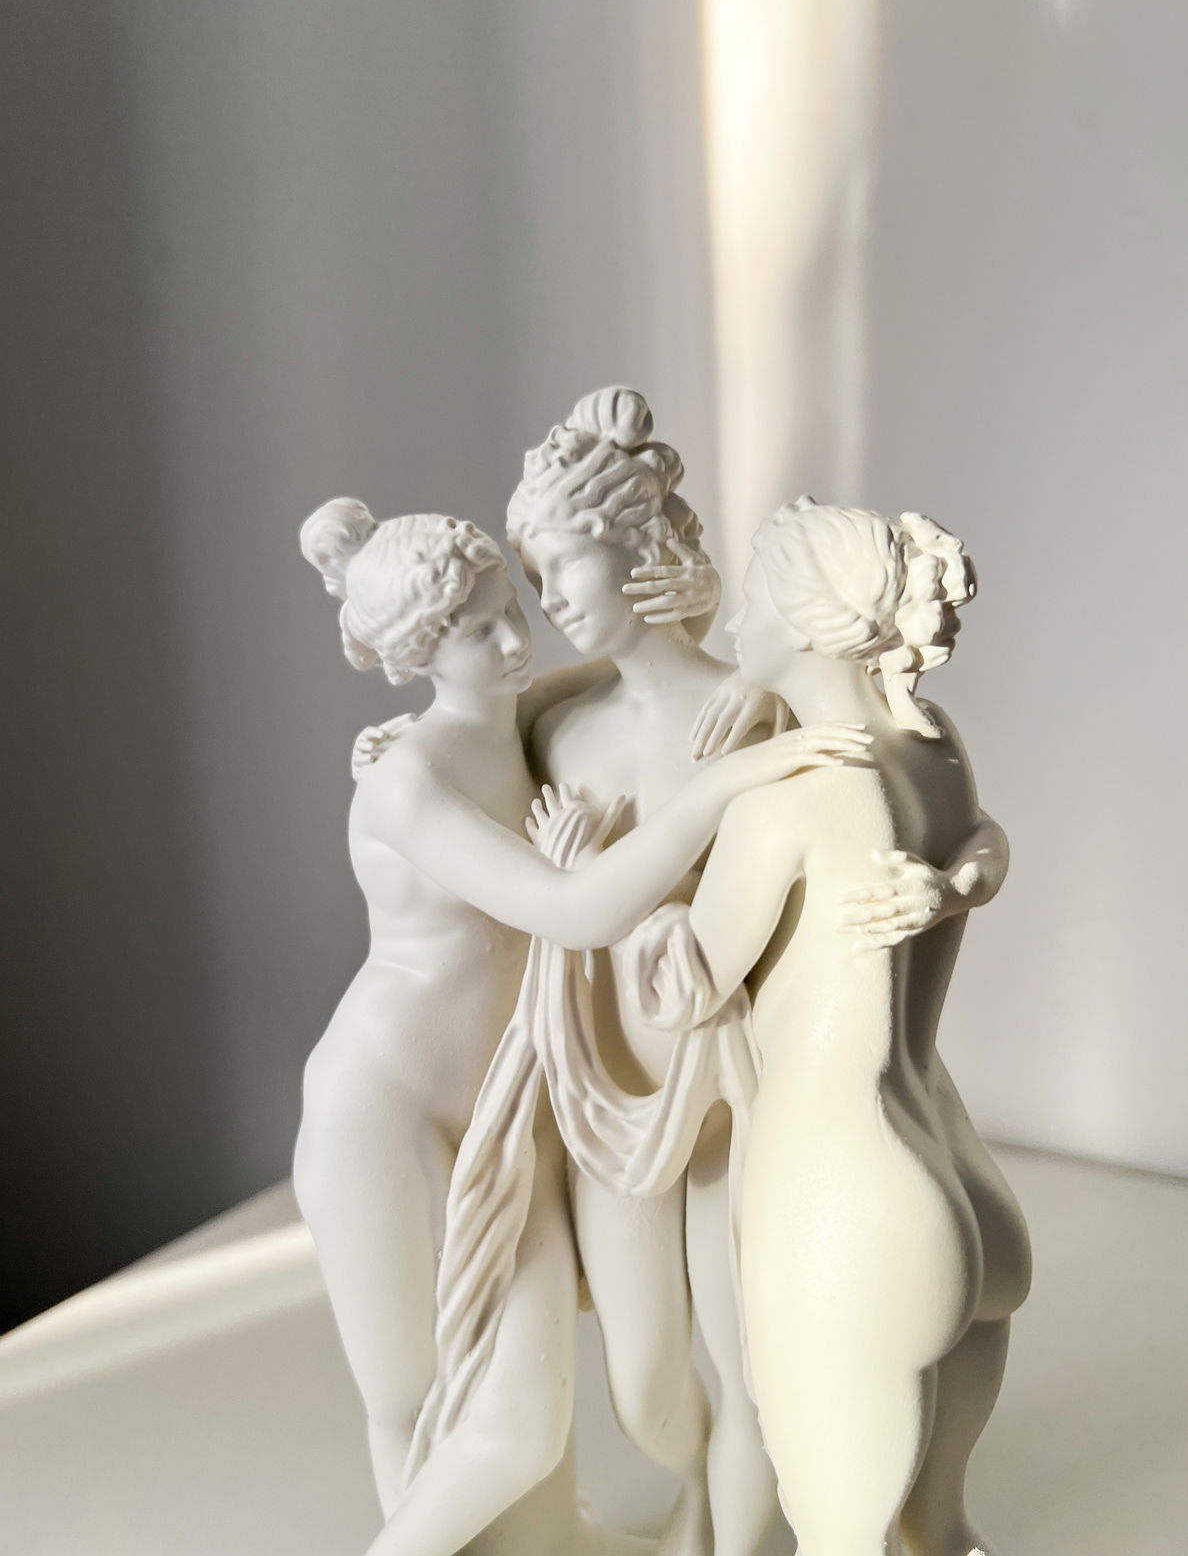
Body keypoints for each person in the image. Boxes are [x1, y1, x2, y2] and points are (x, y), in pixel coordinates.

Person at [293, 501, 865, 1556]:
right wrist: (725, 784)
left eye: (511, 608)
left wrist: (741, 663)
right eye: (478, 630)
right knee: (414, 1399)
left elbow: (624, 674)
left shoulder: (519, 719)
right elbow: (573, 908)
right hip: (382, 1108)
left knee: (528, 1418)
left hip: (507, 1117)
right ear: (416, 655)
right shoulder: (407, 781)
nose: (516, 639)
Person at [505, 390, 1011, 1556]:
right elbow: (971, 832)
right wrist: (422, 734)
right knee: (659, 1386)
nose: (550, 600)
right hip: (686, 1097)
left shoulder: (779, 746)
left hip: (764, 1109)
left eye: (565, 564)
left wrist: (613, 892)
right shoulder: (917, 742)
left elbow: (700, 965)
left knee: (777, 1399)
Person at [627, 498, 1033, 1556]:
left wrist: (645, 904)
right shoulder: (932, 744)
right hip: (951, 1157)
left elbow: (685, 990)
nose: (736, 618)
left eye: (754, 596)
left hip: (840, 1190)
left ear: (808, 620)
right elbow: (988, 844)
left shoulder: (789, 800)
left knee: (842, 1536)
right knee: (940, 1531)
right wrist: (951, 888)